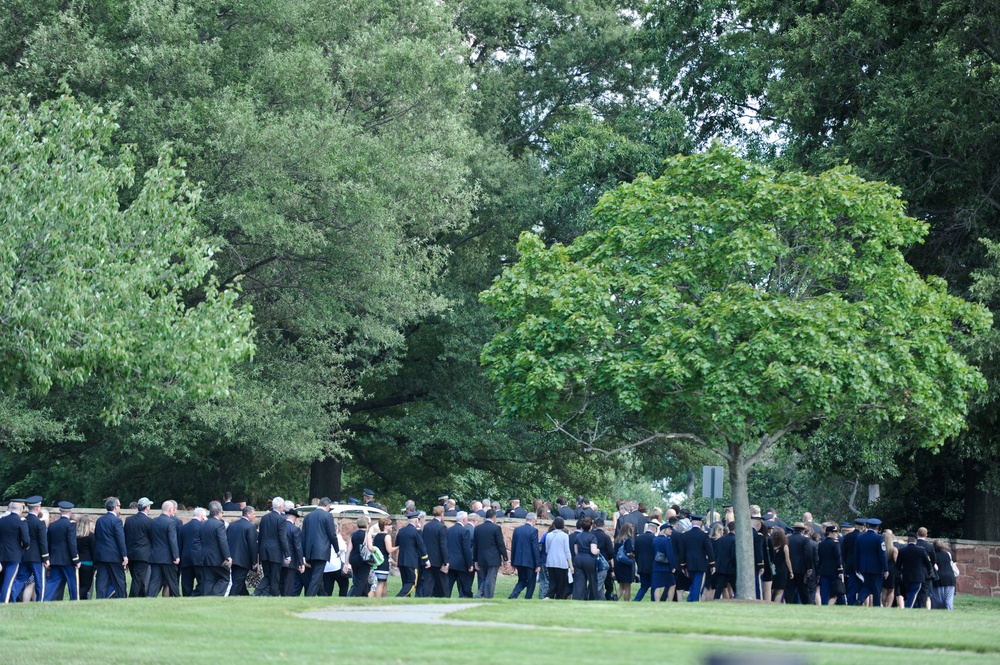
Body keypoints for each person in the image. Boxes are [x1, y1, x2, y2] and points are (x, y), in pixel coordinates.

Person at [302, 497, 339, 597]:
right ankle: (309, 597)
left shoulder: (308, 517)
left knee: (316, 575)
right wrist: (337, 550)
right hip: (321, 551)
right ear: (327, 506)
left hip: (309, 551)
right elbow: (332, 535)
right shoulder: (328, 516)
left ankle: (324, 596)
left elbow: (303, 536)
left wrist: (303, 553)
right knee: (317, 576)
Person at [15, 496, 49, 602]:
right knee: (40, 581)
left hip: (24, 555)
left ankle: (11, 597)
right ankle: (40, 601)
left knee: (20, 579)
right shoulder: (39, 523)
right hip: (36, 557)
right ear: (38, 508)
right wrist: (46, 558)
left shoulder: (22, 520)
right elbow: (43, 542)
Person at [93, 497, 128, 599]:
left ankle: (100, 598)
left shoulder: (100, 520)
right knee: (119, 580)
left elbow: (97, 537)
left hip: (101, 555)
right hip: (114, 555)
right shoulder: (117, 521)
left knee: (101, 581)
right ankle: (122, 597)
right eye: (119, 506)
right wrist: (124, 555)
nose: (119, 508)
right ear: (115, 507)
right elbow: (120, 540)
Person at [44, 502, 80, 601]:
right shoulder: (70, 524)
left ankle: (45, 599)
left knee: (52, 582)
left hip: (55, 558)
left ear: (60, 511)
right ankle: (75, 600)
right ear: (70, 512)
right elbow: (72, 544)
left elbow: (49, 543)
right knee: (73, 582)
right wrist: (76, 559)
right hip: (68, 560)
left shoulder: (52, 525)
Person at [254, 497, 290, 596]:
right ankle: (274, 596)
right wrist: (287, 554)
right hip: (275, 552)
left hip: (264, 551)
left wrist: (259, 552)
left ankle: (256, 593)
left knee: (268, 576)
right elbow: (282, 538)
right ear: (281, 506)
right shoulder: (281, 519)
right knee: (275, 578)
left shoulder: (264, 518)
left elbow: (261, 536)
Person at [676, 515, 715, 602]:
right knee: (698, 584)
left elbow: (682, 552)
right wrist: (712, 564)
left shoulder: (684, 536)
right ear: (700, 523)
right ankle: (695, 600)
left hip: (689, 563)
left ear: (691, 522)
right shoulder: (704, 536)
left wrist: (682, 565)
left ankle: (690, 599)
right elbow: (709, 551)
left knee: (694, 583)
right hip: (701, 564)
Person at [147, 500, 181, 598]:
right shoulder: (171, 522)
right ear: (170, 510)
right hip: (168, 557)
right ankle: (178, 598)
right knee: (172, 581)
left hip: (155, 556)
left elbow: (151, 537)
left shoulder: (153, 521)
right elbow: (172, 540)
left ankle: (149, 598)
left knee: (154, 581)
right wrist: (176, 556)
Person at [473, 508, 508, 599]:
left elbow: (475, 545)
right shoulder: (496, 528)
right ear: (494, 517)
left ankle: (480, 594)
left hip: (481, 557)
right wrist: (505, 558)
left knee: (484, 578)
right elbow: (500, 544)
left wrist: (475, 560)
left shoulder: (478, 528)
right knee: (490, 579)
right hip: (493, 558)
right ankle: (486, 596)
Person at [199, 501, 232, 597]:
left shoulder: (203, 524)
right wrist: (227, 556)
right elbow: (222, 542)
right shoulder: (219, 524)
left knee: (209, 579)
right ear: (219, 512)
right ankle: (215, 596)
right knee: (225, 578)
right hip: (217, 558)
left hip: (205, 556)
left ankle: (207, 597)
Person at [124, 497, 153, 598]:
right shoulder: (149, 521)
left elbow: (125, 537)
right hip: (143, 555)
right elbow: (152, 538)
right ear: (147, 507)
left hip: (131, 554)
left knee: (137, 577)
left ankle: (142, 597)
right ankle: (132, 597)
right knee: (137, 578)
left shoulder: (129, 520)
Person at [855, 518, 888, 607]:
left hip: (864, 567)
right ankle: (876, 605)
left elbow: (856, 553)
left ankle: (860, 600)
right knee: (877, 588)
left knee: (867, 585)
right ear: (877, 527)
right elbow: (882, 554)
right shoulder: (879, 538)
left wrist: (857, 566)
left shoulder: (860, 537)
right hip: (876, 567)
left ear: (868, 526)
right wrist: (886, 569)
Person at [227, 505, 258, 596]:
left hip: (232, 558)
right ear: (248, 514)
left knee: (238, 580)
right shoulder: (250, 527)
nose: (255, 516)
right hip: (243, 559)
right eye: (253, 514)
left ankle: (246, 596)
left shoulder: (232, 525)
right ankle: (230, 597)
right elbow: (252, 545)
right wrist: (254, 561)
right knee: (238, 581)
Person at [896, 532, 932, 609]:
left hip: (906, 576)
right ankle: (908, 607)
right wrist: (930, 571)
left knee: (910, 592)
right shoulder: (921, 550)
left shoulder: (902, 550)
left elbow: (898, 565)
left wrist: (902, 572)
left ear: (908, 541)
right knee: (913, 593)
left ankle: (914, 607)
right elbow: (927, 563)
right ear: (915, 541)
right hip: (918, 576)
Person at [419, 506, 449, 598]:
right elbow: (443, 545)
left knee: (428, 582)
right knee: (443, 583)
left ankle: (426, 598)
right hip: (438, 560)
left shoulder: (427, 526)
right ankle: (443, 598)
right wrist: (446, 561)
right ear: (442, 514)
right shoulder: (442, 527)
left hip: (427, 558)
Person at [509, 512, 540, 599]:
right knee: (531, 582)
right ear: (533, 520)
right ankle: (528, 598)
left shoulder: (517, 530)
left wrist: (513, 561)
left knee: (522, 580)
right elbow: (535, 548)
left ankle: (513, 595)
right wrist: (537, 564)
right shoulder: (533, 531)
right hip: (530, 562)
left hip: (518, 560)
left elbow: (513, 546)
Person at [393, 513, 425, 597]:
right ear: (416, 521)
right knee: (412, 582)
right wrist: (426, 559)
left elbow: (397, 544)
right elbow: (421, 546)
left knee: (405, 582)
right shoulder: (416, 532)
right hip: (411, 561)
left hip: (401, 560)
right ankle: (399, 597)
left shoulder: (401, 531)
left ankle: (406, 599)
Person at [179, 507, 206, 597]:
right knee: (203, 581)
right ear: (202, 516)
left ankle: (187, 597)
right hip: (199, 558)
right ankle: (194, 595)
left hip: (185, 557)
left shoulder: (183, 527)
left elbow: (180, 544)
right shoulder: (203, 526)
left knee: (186, 582)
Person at [447, 512, 475, 598]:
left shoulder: (449, 530)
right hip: (461, 563)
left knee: (448, 586)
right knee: (466, 585)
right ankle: (469, 599)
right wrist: (469, 564)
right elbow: (466, 549)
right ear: (464, 520)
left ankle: (445, 599)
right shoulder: (464, 531)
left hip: (450, 562)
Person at [571, 516, 600, 601]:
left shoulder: (578, 536)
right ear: (591, 526)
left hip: (579, 559)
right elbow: (593, 551)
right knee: (592, 580)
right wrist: (598, 550)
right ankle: (592, 598)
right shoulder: (592, 537)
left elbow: (576, 551)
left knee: (579, 582)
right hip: (589, 560)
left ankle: (577, 599)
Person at [545, 516, 572, 600]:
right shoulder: (565, 536)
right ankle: (559, 597)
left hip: (550, 561)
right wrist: (571, 565)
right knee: (562, 583)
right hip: (561, 562)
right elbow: (567, 551)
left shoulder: (548, 535)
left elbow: (547, 549)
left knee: (552, 582)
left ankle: (549, 596)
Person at [281, 503, 305, 597]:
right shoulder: (295, 529)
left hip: (279, 559)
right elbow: (297, 547)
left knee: (280, 582)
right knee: (289, 584)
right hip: (291, 561)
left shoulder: (280, 527)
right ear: (294, 518)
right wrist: (300, 563)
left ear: (286, 516)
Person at [817, 525, 844, 605]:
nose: (836, 534)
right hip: (834, 570)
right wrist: (840, 570)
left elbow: (820, 559)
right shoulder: (835, 543)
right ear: (830, 533)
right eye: (834, 532)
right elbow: (838, 557)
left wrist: (819, 571)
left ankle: (824, 604)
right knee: (837, 590)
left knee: (825, 591)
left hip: (824, 570)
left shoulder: (821, 544)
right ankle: (842, 604)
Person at [787, 523, 813, 604]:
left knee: (789, 590)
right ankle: (806, 604)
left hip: (789, 568)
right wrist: (809, 567)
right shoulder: (805, 540)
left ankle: (789, 604)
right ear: (803, 530)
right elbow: (808, 555)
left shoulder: (788, 539)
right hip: (801, 569)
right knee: (803, 590)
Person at [841, 517, 865, 605]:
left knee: (851, 588)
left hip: (850, 565)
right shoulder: (863, 537)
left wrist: (846, 562)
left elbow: (843, 553)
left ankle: (851, 603)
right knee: (864, 586)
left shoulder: (847, 537)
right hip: (862, 565)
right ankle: (860, 601)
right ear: (862, 527)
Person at [371, 518, 397, 598]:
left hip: (376, 561)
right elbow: (389, 549)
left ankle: (383, 599)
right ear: (385, 526)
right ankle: (378, 600)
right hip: (383, 562)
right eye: (389, 525)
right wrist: (398, 547)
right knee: (381, 583)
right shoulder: (387, 536)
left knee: (383, 582)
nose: (391, 526)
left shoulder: (376, 536)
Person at [651, 523, 677, 602]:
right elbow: (670, 553)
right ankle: (669, 601)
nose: (671, 531)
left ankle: (657, 602)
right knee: (672, 584)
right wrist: (673, 566)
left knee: (657, 586)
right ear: (664, 530)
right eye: (669, 529)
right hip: (666, 567)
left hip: (656, 565)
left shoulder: (654, 539)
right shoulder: (667, 540)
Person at [632, 522, 657, 601]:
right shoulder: (654, 539)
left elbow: (636, 552)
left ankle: (636, 600)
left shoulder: (639, 538)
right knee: (654, 586)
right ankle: (653, 601)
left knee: (644, 585)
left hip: (641, 565)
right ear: (654, 529)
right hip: (652, 566)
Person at [770, 527, 793, 604]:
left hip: (772, 569)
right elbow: (787, 560)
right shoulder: (785, 546)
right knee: (780, 591)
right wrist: (791, 571)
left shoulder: (770, 545)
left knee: (771, 589)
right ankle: (776, 604)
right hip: (782, 570)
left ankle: (769, 603)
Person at [714, 522, 737, 600]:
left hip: (721, 567)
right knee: (735, 587)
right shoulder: (734, 540)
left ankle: (715, 600)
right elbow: (733, 555)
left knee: (719, 588)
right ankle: (738, 600)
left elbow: (716, 553)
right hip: (731, 568)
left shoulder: (721, 539)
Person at [613, 522, 636, 601]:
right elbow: (628, 552)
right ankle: (626, 603)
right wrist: (634, 556)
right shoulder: (628, 540)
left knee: (621, 586)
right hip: (625, 565)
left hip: (618, 564)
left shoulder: (617, 539)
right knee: (627, 586)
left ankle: (615, 599)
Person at [932, 539, 957, 610]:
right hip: (950, 577)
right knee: (949, 598)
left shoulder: (933, 555)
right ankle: (949, 611)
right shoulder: (948, 554)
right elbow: (954, 564)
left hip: (938, 577)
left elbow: (935, 567)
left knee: (937, 599)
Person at [75, 515, 96, 600]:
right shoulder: (91, 536)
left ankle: (82, 600)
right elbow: (93, 551)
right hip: (88, 564)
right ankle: (76, 598)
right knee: (86, 586)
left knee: (79, 584)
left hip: (78, 563)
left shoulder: (76, 536)